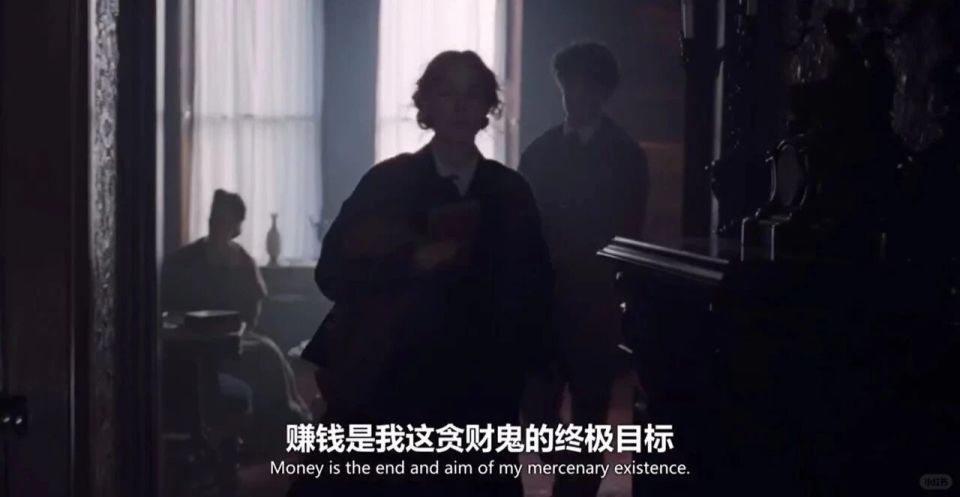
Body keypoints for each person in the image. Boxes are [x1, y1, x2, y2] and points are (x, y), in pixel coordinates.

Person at [290, 50, 553, 497]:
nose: (460, 106)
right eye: (447, 93)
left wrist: (539, 381)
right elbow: (332, 273)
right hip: (392, 384)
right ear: (425, 105)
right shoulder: (387, 182)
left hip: (480, 390)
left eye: (472, 95)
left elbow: (537, 292)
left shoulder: (510, 191)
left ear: (487, 109)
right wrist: (410, 261)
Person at [518, 41, 649, 497]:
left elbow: (629, 229)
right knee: (536, 412)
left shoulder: (625, 155)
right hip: (545, 301)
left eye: (586, 86)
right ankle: (573, 467)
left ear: (604, 92)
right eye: (568, 86)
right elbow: (523, 225)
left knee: (591, 412)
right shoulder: (538, 153)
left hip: (595, 302)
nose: (576, 96)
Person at [161, 189, 312, 457]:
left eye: (227, 221)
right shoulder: (185, 260)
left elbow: (252, 307)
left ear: (236, 227)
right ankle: (278, 429)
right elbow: (171, 305)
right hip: (195, 342)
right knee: (266, 359)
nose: (219, 225)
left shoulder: (241, 260)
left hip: (236, 334)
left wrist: (241, 324)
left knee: (272, 354)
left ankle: (291, 422)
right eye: (216, 218)